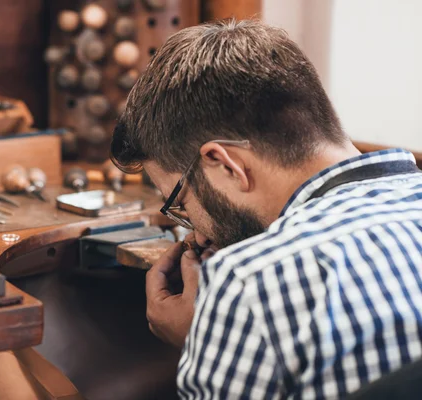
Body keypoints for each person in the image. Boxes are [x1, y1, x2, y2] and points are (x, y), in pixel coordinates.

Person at [110, 19, 422, 399]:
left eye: (181, 202)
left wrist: (206, 339)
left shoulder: (249, 283)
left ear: (225, 164)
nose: (198, 234)